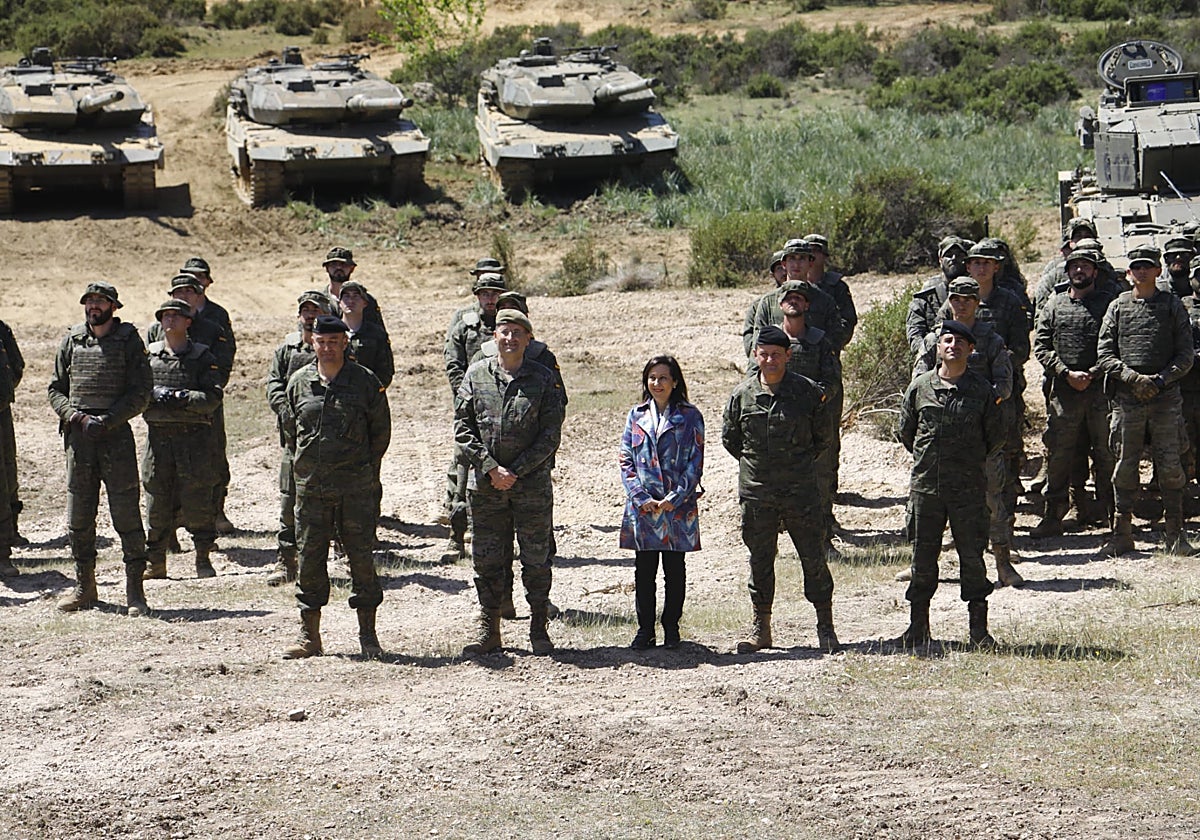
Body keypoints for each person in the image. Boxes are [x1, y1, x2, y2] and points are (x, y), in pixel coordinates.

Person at [722, 325, 838, 654]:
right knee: (760, 560)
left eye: (776, 354)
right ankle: (762, 628)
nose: (770, 360)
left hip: (800, 491)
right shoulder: (742, 395)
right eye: (764, 354)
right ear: (755, 355)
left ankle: (825, 626)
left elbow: (823, 438)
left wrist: (794, 465)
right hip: (758, 492)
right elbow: (731, 440)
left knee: (813, 558)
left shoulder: (807, 392)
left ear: (788, 355)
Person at [282, 315, 391, 660]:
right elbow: (290, 432)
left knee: (361, 559)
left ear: (345, 343)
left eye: (334, 341)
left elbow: (380, 434)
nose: (327, 347)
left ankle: (368, 636)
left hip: (355, 489)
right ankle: (309, 636)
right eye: (321, 341)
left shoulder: (365, 382)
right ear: (312, 343)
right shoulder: (299, 382)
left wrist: (360, 470)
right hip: (311, 489)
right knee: (310, 559)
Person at [456, 308, 565, 656]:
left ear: (528, 339)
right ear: (495, 337)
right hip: (487, 487)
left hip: (531, 486)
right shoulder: (476, 375)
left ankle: (538, 628)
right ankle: (490, 629)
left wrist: (515, 470)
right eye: (505, 331)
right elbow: (463, 428)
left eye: (518, 332)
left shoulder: (543, 378)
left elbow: (551, 433)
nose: (510, 338)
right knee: (487, 559)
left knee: (536, 558)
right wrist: (491, 469)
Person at [893, 320, 1005, 648]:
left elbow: (996, 437)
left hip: (968, 490)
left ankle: (978, 632)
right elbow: (907, 432)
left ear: (971, 349)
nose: (953, 345)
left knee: (972, 558)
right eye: (947, 340)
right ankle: (918, 629)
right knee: (922, 559)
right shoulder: (920, 388)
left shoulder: (982, 391)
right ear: (938, 347)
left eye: (960, 341)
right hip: (926, 489)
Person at [48, 282, 153, 616]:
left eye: (101, 301)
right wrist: (76, 417)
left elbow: (141, 392)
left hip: (115, 438)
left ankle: (135, 592)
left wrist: (108, 420)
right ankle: (85, 588)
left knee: (126, 515)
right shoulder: (72, 340)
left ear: (113, 307)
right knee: (79, 517)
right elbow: (55, 390)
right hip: (79, 440)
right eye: (90, 301)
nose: (94, 306)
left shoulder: (129, 340)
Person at [913, 277, 1021, 587]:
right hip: (939, 441)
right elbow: (918, 384)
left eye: (968, 299)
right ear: (949, 302)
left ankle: (1002, 563)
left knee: (992, 500)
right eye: (956, 299)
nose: (961, 304)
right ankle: (920, 566)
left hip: (979, 440)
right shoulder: (935, 339)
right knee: (926, 505)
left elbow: (1004, 385)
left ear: (977, 303)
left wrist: (977, 405)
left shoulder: (991, 340)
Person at [1097, 245, 1196, 555]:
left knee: (1170, 466)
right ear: (1129, 273)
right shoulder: (1117, 307)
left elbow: (1185, 354)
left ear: (1157, 271)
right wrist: (1132, 378)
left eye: (1147, 267)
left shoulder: (1172, 306)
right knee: (1125, 466)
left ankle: (1175, 534)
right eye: (1136, 267)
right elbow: (1104, 353)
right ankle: (1121, 534)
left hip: (1165, 399)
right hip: (1128, 400)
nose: (1141, 272)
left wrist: (1161, 380)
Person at [1031, 247, 1118, 538]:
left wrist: (1093, 372)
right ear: (1067, 271)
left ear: (1095, 272)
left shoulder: (1108, 305)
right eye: (1074, 266)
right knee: (1060, 456)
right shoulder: (1054, 304)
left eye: (1085, 266)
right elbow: (1041, 346)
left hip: (1101, 392)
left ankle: (1114, 517)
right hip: (1064, 393)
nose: (1080, 271)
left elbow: (1116, 344)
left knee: (1106, 454)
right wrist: (1066, 373)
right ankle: (1053, 516)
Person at [619, 355, 704, 650]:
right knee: (644, 572)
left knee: (674, 570)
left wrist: (675, 497)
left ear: (675, 382)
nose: (657, 383)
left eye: (663, 378)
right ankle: (645, 630)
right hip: (644, 509)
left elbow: (695, 462)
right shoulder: (636, 415)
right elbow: (626, 460)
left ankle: (671, 628)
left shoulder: (690, 416)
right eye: (652, 378)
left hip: (677, 509)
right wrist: (640, 497)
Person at [141, 300, 224, 580]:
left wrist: (182, 397)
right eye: (165, 316)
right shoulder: (150, 357)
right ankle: (155, 562)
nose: (170, 321)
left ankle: (202, 558)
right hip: (159, 440)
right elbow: (136, 393)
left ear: (188, 322)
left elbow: (212, 397)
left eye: (176, 316)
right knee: (157, 502)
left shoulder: (202, 356)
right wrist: (155, 395)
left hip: (194, 441)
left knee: (198, 499)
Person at [264, 291, 331, 587]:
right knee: (290, 502)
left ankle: (342, 557)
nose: (309, 315)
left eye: (315, 310)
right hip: (296, 441)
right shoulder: (286, 350)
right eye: (305, 310)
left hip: (331, 442)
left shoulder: (335, 346)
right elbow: (274, 385)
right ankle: (287, 560)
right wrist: (289, 412)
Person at [442, 270, 507, 563]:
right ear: (477, 296)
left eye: (495, 294)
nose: (490, 299)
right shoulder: (464, 328)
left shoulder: (511, 328)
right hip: (471, 410)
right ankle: (455, 538)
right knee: (462, 474)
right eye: (485, 294)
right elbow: (454, 365)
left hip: (503, 416)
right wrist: (468, 398)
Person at [180, 256, 238, 534]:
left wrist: (214, 387)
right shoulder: (169, 314)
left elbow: (226, 354)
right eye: (188, 276)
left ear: (208, 282)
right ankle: (178, 516)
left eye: (199, 277)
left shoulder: (217, 315)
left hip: (208, 398)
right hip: (176, 400)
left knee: (213, 455)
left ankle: (216, 510)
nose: (194, 281)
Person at [907, 236, 973, 355]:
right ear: (940, 260)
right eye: (949, 255)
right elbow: (915, 337)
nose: (954, 259)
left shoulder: (976, 291)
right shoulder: (927, 295)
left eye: (959, 255)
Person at [0, 315, 26, 555]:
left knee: (8, 469)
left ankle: (10, 532)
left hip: (1, 410)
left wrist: (4, 391)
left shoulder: (2, 329)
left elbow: (16, 366)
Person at [338, 280, 394, 388]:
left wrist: (372, 392)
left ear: (365, 303)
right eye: (346, 296)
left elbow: (386, 371)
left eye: (356, 296)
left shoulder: (376, 334)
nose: (351, 300)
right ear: (339, 303)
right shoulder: (331, 332)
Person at [322, 246, 388, 337]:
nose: (338, 267)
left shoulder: (365, 300)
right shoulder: (319, 301)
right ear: (326, 268)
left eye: (343, 265)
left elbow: (379, 334)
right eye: (334, 264)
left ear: (352, 268)